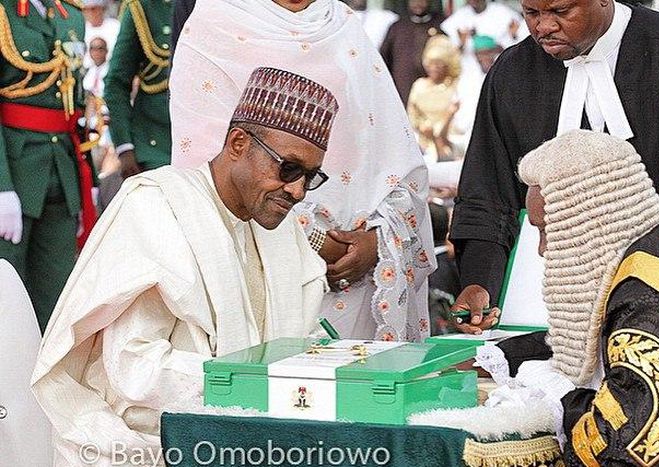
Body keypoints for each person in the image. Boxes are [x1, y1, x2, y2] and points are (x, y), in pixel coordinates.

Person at [31, 67, 336, 467]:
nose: (297, 191)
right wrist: (256, 388)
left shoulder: (279, 227)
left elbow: (304, 337)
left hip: (260, 440)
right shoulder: (158, 207)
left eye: (310, 177)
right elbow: (133, 364)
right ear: (239, 143)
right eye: (288, 169)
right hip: (150, 445)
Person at [169, 0, 435, 342]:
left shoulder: (341, 22)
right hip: (263, 266)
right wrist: (317, 242)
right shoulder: (215, 20)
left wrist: (377, 242)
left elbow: (393, 151)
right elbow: (206, 169)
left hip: (364, 278)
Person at [449, 0, 659, 334]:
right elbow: (488, 191)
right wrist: (481, 280)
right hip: (550, 306)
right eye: (532, 13)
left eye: (561, 11)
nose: (543, 27)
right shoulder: (513, 72)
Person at [482, 130, 659, 466]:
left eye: (545, 230)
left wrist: (560, 404)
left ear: (584, 224)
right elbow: (597, 338)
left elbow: (634, 439)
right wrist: (501, 355)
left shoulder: (647, 300)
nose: (542, 250)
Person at [0, 0, 97, 332]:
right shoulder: (4, 12)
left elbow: (76, 102)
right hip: (15, 170)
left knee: (56, 299)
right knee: (7, 296)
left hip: (62, 170)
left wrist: (90, 177)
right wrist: (1, 187)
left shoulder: (70, 14)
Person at [104, 0, 173, 180]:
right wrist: (124, 147)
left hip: (214, 146)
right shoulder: (145, 7)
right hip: (157, 147)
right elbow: (117, 82)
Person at [407, 34, 464, 161]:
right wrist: (422, 127)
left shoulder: (454, 86)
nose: (434, 68)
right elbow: (412, 114)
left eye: (438, 64)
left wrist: (440, 132)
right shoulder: (419, 85)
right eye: (431, 64)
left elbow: (460, 117)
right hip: (423, 141)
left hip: (450, 140)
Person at [380, 0, 445, 105]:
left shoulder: (440, 25)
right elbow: (383, 61)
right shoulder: (397, 27)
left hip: (433, 94)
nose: (418, 3)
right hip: (402, 92)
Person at [82, 0, 120, 68]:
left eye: (93, 9)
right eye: (85, 9)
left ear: (102, 9)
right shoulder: (82, 28)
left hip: (110, 68)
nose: (90, 13)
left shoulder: (115, 26)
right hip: (87, 72)